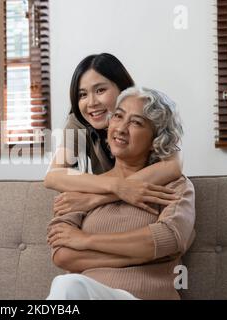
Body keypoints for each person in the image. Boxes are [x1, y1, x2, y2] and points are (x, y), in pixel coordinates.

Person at [46, 87, 196, 300]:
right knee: (68, 286)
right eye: (118, 116)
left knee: (68, 286)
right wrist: (143, 256)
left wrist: (86, 240)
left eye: (136, 122)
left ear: (156, 139)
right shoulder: (82, 187)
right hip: (87, 293)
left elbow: (168, 239)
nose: (121, 128)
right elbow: (62, 254)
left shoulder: (174, 185)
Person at [44, 53, 183, 216]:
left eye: (100, 90)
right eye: (82, 94)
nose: (91, 103)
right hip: (107, 212)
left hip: (145, 207)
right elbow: (54, 176)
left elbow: (173, 166)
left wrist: (95, 200)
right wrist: (116, 186)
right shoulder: (78, 122)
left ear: (123, 88)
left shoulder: (149, 109)